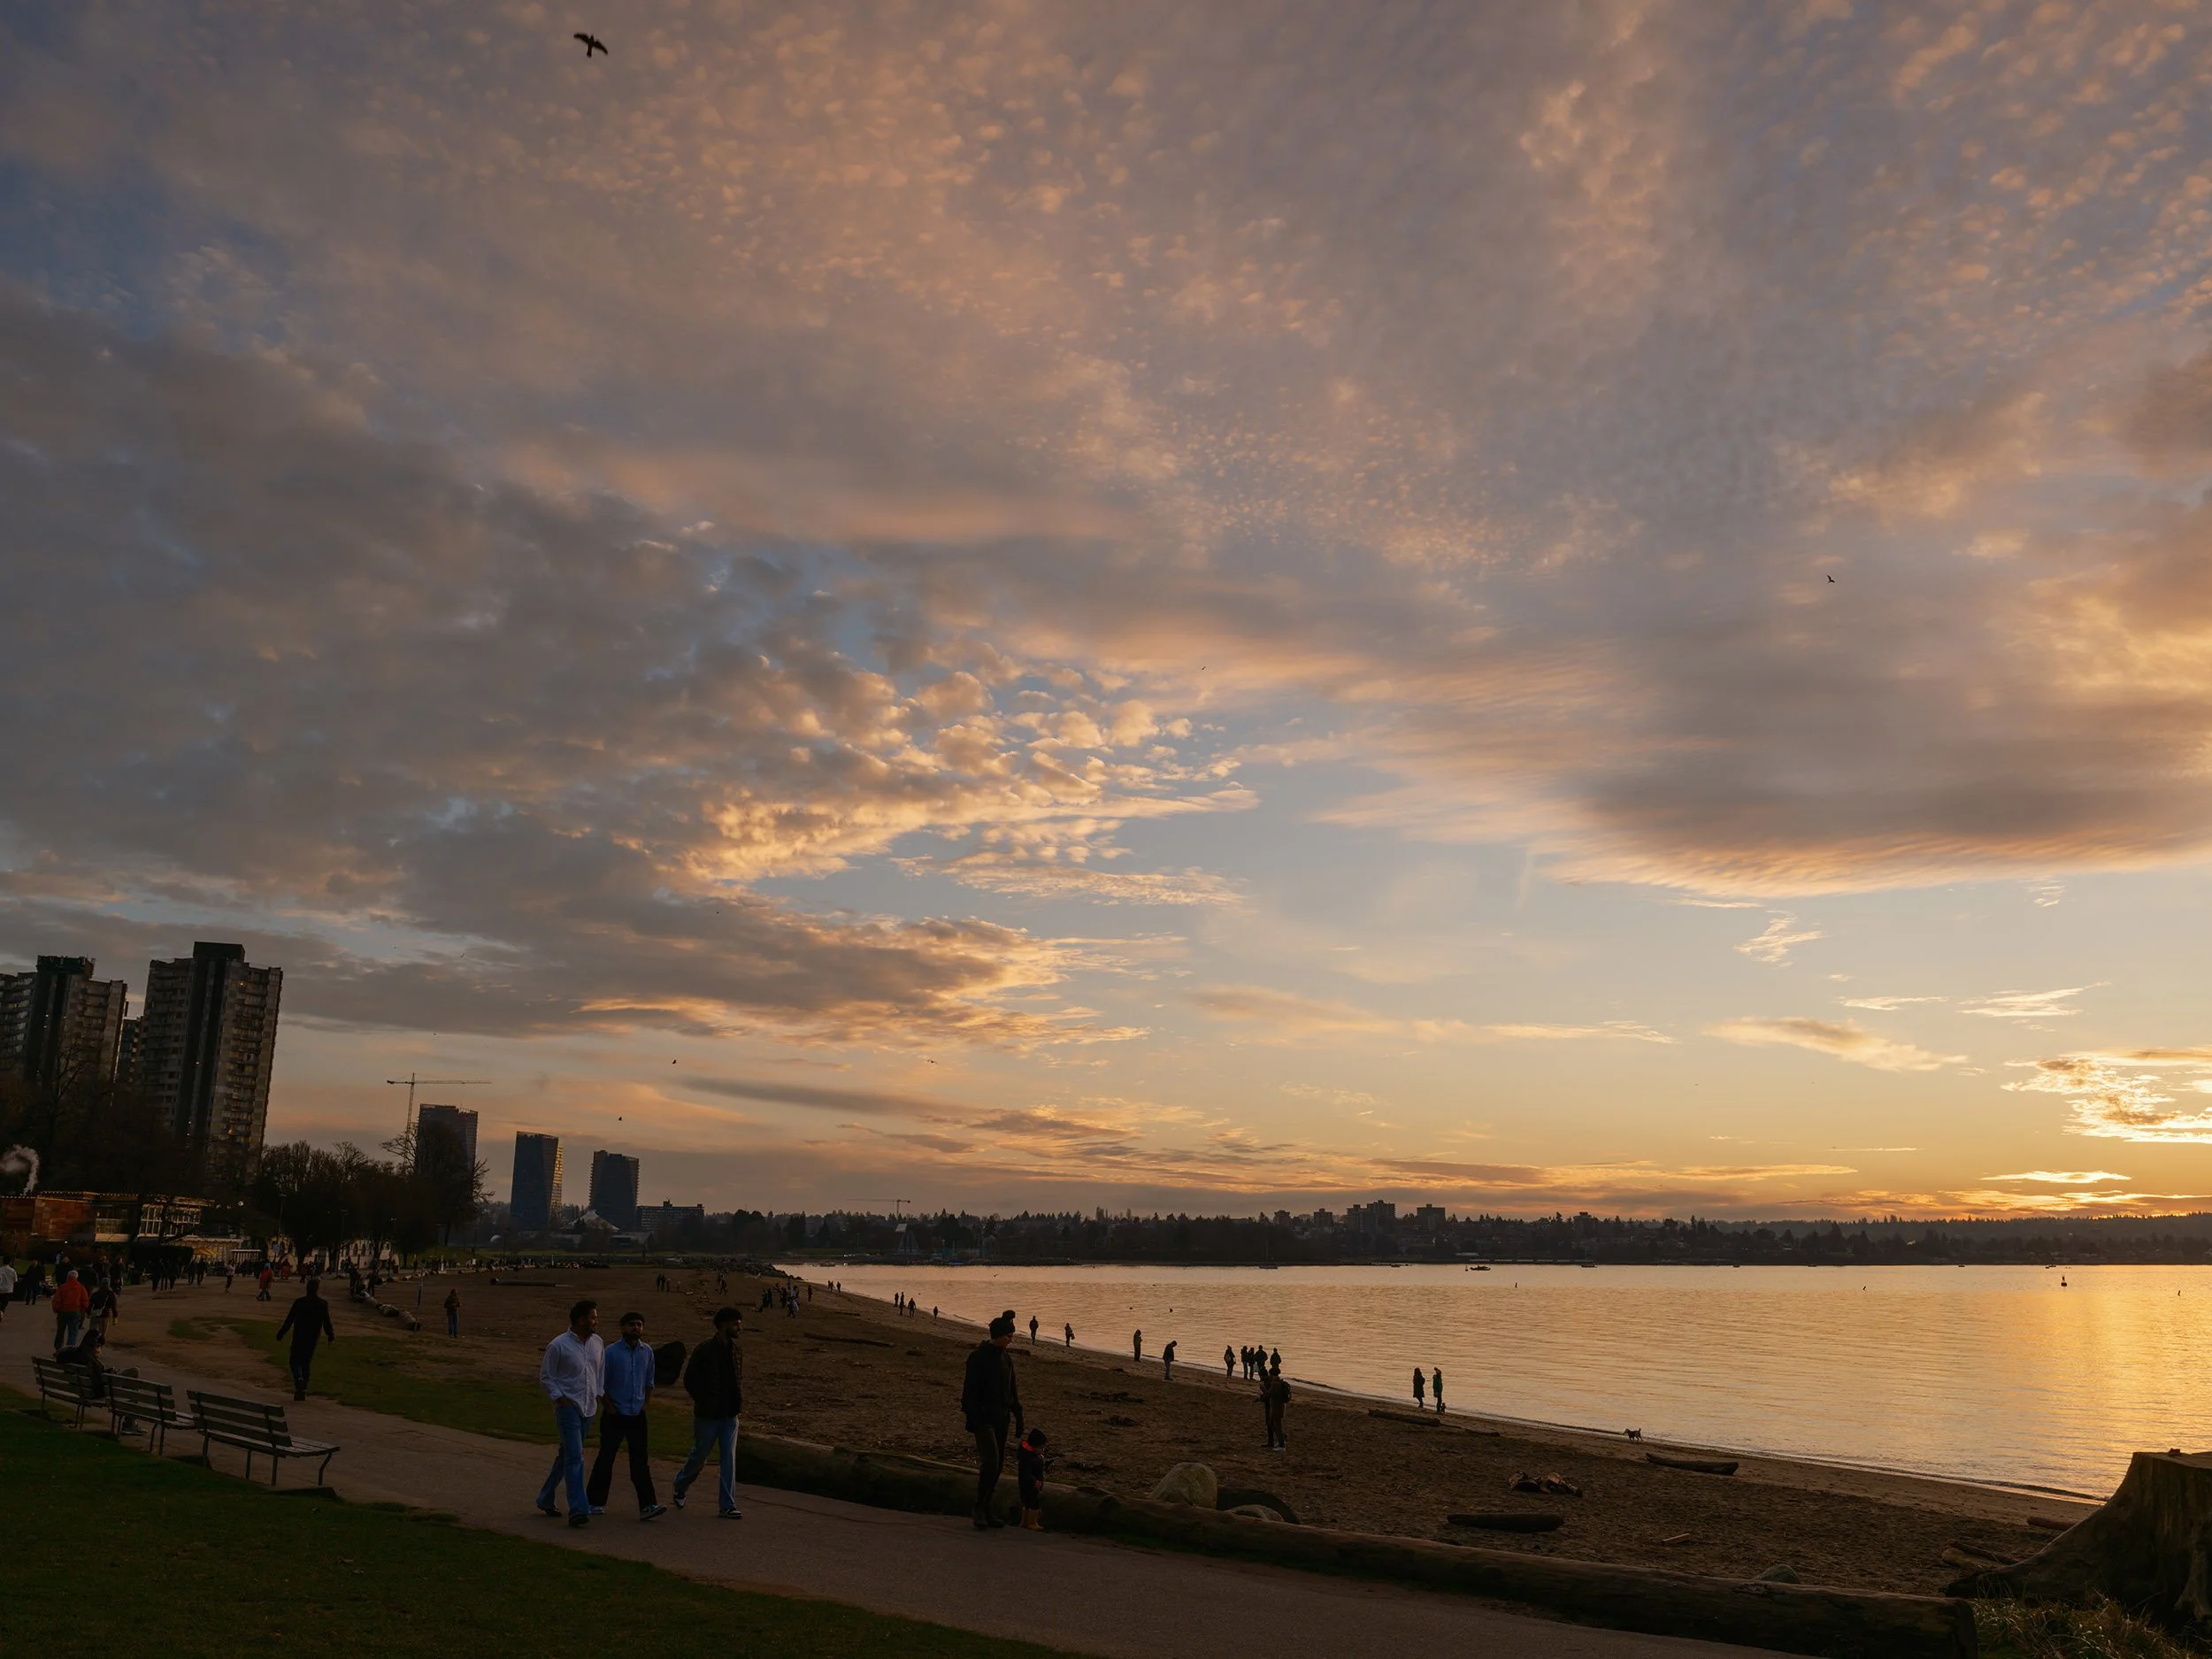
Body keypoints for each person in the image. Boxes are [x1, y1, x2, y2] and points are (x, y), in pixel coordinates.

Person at [589, 1311, 667, 1520]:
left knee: (640, 1461)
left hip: (637, 1415)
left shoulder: (647, 1351)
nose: (636, 1328)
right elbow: (600, 1385)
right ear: (622, 1328)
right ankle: (594, 1502)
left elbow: (650, 1381)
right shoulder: (611, 1353)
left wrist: (646, 1405)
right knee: (606, 1458)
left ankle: (648, 1505)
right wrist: (610, 1408)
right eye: (632, 1324)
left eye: (639, 1325)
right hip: (615, 1414)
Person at [536, 1299, 604, 1526]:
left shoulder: (597, 1343)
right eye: (593, 1317)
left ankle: (545, 1497)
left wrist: (599, 1393)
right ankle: (578, 1509)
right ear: (580, 1320)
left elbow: (599, 1371)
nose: (596, 1321)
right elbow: (546, 1376)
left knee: (566, 1455)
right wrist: (559, 1398)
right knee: (575, 1457)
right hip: (568, 1408)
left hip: (589, 1408)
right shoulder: (558, 1345)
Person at [673, 1306, 744, 1518]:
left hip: (730, 1415)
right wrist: (705, 1401)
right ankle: (680, 1484)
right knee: (700, 1456)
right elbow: (689, 1380)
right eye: (735, 1323)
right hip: (707, 1416)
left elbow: (738, 1380)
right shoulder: (704, 1349)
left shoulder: (736, 1351)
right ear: (723, 1324)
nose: (739, 1327)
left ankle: (727, 1505)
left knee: (728, 1459)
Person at [962, 1310, 1025, 1528]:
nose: (1011, 1339)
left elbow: (1012, 1390)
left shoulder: (1007, 1359)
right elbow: (968, 1391)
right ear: (997, 1335)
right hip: (983, 1418)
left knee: (997, 1467)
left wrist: (1018, 1414)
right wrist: (972, 1417)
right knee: (991, 1462)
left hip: (1002, 1418)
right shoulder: (978, 1358)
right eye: (1008, 1335)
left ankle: (987, 1507)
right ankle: (978, 1507)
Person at [274, 1277, 336, 1402]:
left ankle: (299, 1380)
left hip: (299, 1335)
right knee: (306, 1363)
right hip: (312, 1338)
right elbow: (326, 1322)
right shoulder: (322, 1304)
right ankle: (302, 1391)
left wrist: (281, 1332)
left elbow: (290, 1319)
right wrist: (330, 1335)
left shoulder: (299, 1302)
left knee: (294, 1361)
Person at [1017, 1426, 1049, 1531]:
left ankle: (1024, 1522)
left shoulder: (1029, 1456)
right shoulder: (1028, 1459)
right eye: (1040, 1448)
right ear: (1033, 1446)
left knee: (1027, 1503)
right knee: (1034, 1504)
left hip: (1028, 1483)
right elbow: (1026, 1473)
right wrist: (1035, 1482)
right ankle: (1032, 1523)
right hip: (1030, 1484)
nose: (1042, 1451)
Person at [50, 1268, 88, 1354]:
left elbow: (57, 1300)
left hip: (63, 1311)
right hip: (75, 1311)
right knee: (73, 1332)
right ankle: (70, 1349)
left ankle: (58, 1349)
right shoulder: (80, 1287)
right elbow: (85, 1300)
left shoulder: (63, 1287)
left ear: (68, 1277)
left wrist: (56, 1309)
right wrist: (83, 1310)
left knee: (60, 1331)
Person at [1263, 1361, 1290, 1451]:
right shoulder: (1280, 1382)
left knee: (1277, 1425)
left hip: (1276, 1407)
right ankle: (1281, 1441)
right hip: (1279, 1406)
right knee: (1274, 1424)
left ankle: (1282, 1445)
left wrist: (1262, 1388)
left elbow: (1269, 1394)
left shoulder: (1275, 1384)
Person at [0, 1257, 15, 1324]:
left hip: (0, 1289)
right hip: (8, 1289)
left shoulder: (0, 1270)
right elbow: (15, 1280)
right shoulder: (12, 1271)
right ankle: (1, 1311)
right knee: (4, 1303)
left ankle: (0, 1311)